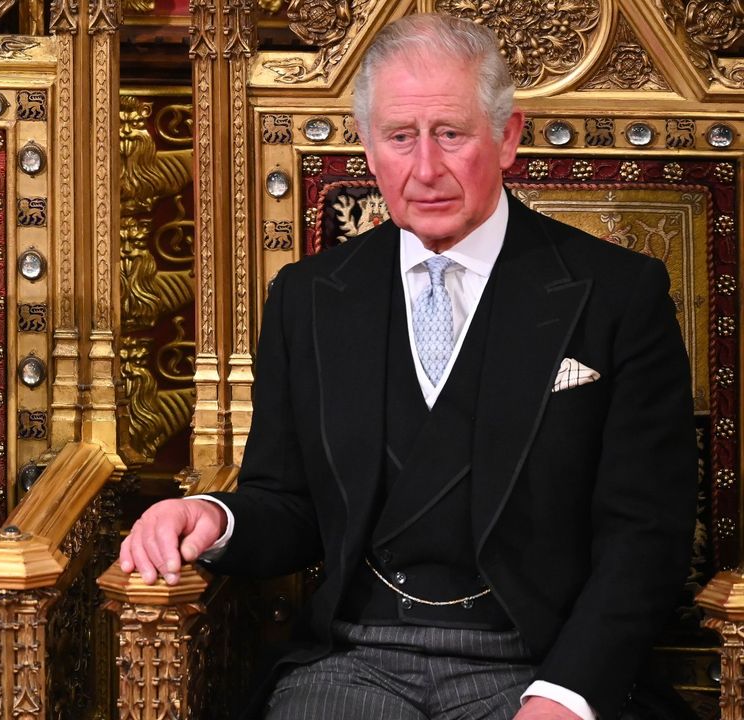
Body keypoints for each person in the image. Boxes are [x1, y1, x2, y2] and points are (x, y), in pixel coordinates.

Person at [119, 13, 696, 720]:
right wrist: (211, 515)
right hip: (356, 662)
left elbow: (646, 535)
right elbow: (292, 504)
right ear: (368, 146)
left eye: (451, 134)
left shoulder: (618, 295)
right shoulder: (309, 298)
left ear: (507, 137)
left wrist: (567, 695)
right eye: (400, 138)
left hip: (536, 662)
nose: (425, 169)